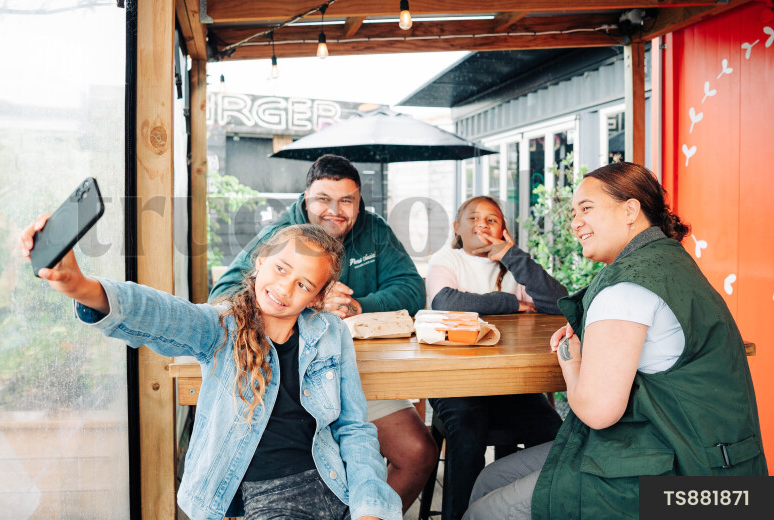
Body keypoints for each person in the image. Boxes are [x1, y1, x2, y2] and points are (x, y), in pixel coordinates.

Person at [20, 219, 402, 520]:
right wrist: (82, 287)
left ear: (318, 297)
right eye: (281, 268)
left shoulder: (331, 332)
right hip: (269, 495)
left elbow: (353, 428)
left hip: (335, 484)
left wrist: (369, 505)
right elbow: (162, 315)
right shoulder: (220, 327)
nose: (284, 288)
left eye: (303, 284)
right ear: (260, 261)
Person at [463, 162, 767, 520]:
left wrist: (570, 358)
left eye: (586, 209)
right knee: (490, 478)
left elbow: (596, 411)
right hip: (727, 468)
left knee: (485, 511)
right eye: (573, 213)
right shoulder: (671, 261)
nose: (575, 222)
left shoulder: (626, 285)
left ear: (630, 210)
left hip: (686, 479)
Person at [210, 154, 436, 511]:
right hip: (290, 384)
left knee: (419, 452)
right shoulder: (281, 235)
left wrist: (356, 304)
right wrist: (308, 300)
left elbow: (411, 288)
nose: (336, 210)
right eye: (323, 200)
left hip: (361, 376)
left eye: (347, 200)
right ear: (305, 198)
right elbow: (221, 295)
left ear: (359, 202)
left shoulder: (373, 230)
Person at [425, 196, 565, 520]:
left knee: (553, 432)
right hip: (455, 384)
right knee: (467, 432)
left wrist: (513, 256)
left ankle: (530, 510)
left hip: (510, 383)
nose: (482, 224)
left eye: (492, 219)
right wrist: (511, 303)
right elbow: (445, 300)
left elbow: (558, 303)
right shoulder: (447, 259)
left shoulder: (512, 264)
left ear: (503, 229)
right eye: (473, 217)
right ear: (457, 227)